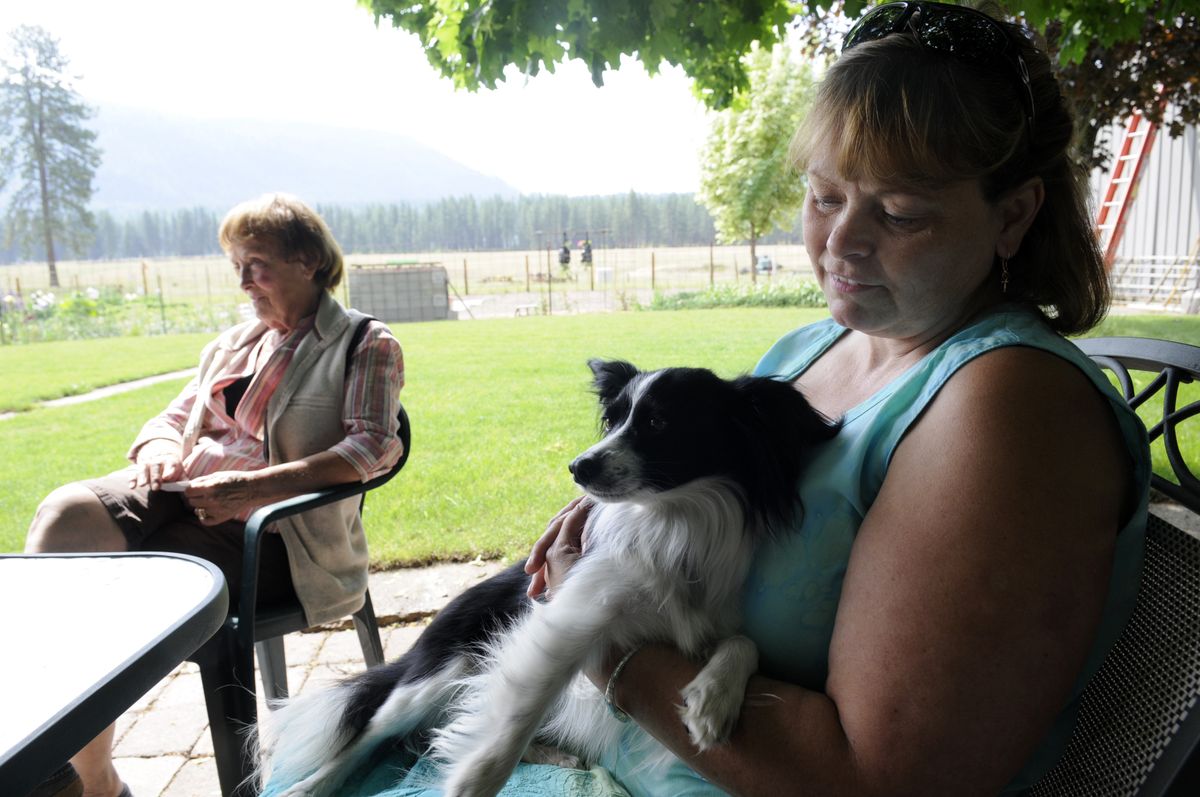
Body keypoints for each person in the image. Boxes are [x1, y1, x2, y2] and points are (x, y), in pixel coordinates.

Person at [267, 2, 1151, 795]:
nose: (840, 241)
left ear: (1013, 213)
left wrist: (599, 634)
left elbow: (881, 779)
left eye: (901, 212)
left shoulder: (1008, 411)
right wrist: (598, 542)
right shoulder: (823, 343)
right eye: (823, 195)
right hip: (611, 746)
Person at [25, 193, 405, 797]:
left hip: (276, 535)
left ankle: (79, 778)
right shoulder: (233, 344)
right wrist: (156, 447)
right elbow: (170, 418)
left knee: (111, 587)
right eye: (237, 267)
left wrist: (251, 487)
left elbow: (373, 448)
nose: (245, 282)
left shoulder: (364, 343)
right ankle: (77, 769)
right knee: (64, 514)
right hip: (187, 493)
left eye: (257, 264)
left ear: (308, 260)